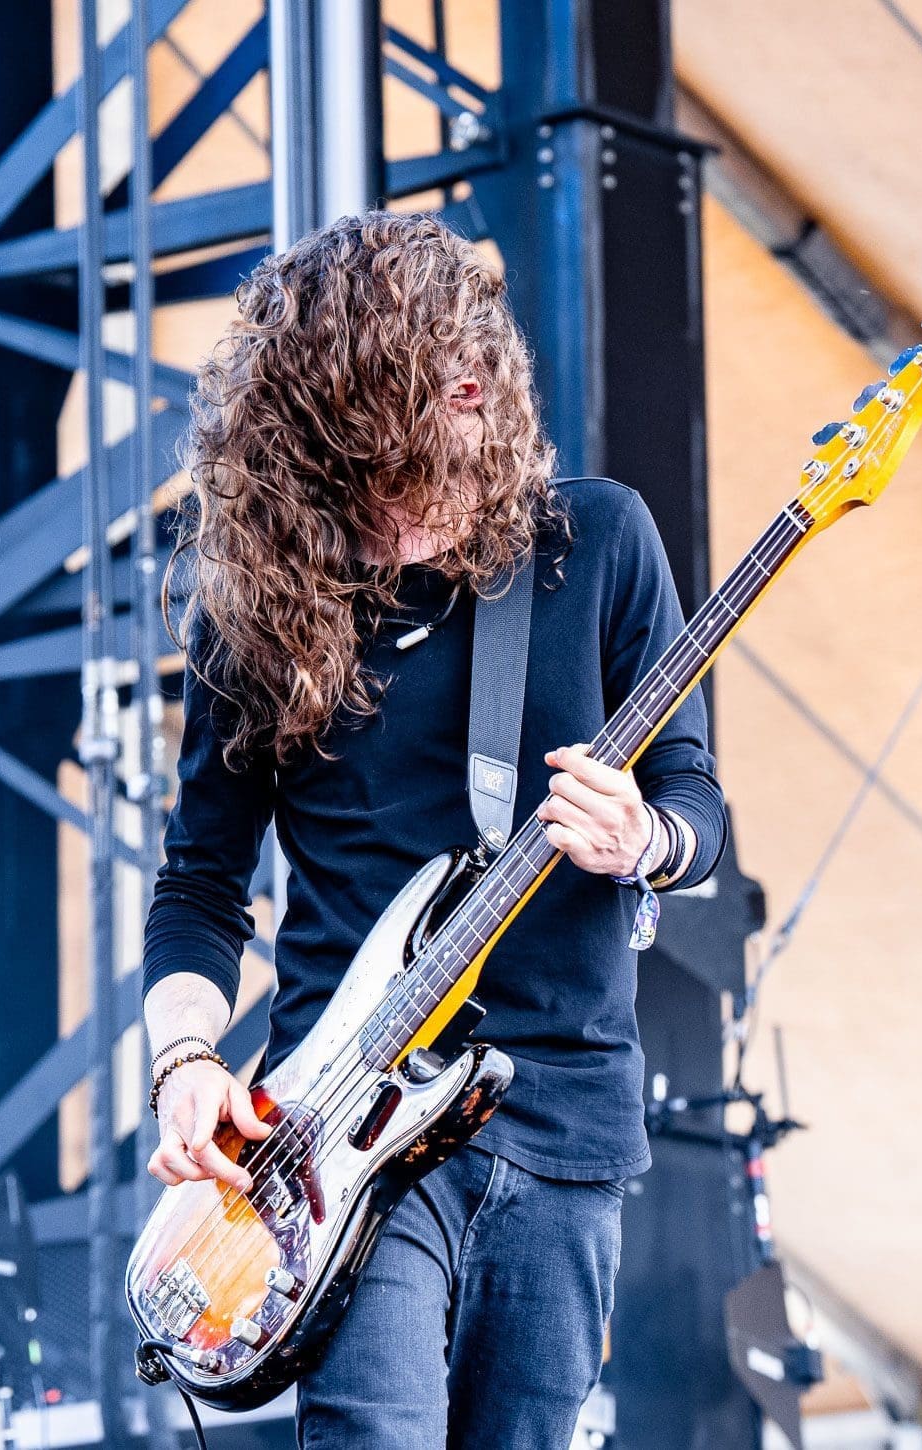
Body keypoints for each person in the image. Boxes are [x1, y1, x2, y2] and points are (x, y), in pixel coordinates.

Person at [141, 209, 727, 1449]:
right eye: (425, 401)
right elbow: (199, 885)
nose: (466, 419)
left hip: (562, 1113)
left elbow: (694, 803)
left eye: (475, 389)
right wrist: (184, 1063)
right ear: (335, 427)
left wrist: (642, 839)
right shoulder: (256, 619)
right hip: (341, 1135)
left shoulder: (597, 543)